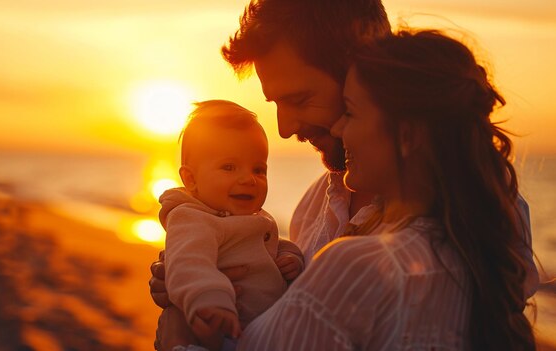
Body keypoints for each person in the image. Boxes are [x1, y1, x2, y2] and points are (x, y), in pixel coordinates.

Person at [151, 0, 538, 347]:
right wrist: (200, 281)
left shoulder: (483, 218)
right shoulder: (314, 205)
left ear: (362, 68)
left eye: (299, 99)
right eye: (274, 103)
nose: (284, 129)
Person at [159, 100, 304, 350]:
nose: (249, 179)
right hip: (223, 330)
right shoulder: (192, 219)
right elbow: (189, 262)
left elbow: (264, 245)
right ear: (191, 179)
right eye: (229, 167)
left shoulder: (250, 220)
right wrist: (211, 301)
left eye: (259, 169)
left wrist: (290, 254)